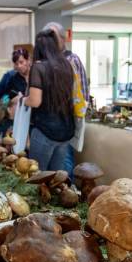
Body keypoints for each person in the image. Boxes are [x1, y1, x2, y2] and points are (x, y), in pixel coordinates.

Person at [23, 29, 75, 171]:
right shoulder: (66, 65)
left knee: (38, 176)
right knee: (56, 178)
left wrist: (23, 100)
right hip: (65, 130)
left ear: (38, 48)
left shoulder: (39, 67)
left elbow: (35, 101)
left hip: (45, 130)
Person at [44, 22, 88, 176]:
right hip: (47, 127)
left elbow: (82, 94)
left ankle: (69, 196)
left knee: (65, 167)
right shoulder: (45, 62)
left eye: (53, 37)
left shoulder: (72, 60)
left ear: (63, 39)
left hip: (65, 125)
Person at [0, 47, 31, 136]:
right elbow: (4, 98)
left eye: (21, 62)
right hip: (18, 120)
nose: (19, 66)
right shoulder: (12, 78)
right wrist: (10, 101)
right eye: (16, 63)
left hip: (34, 121)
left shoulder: (37, 76)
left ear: (28, 60)